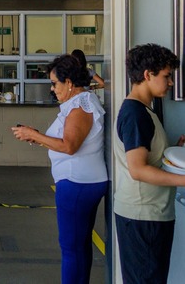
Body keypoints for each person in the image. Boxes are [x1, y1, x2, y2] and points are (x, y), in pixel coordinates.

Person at [11, 55, 107, 284]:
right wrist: (39, 138)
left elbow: (69, 146)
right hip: (82, 181)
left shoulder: (81, 106)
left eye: (55, 83)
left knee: (71, 248)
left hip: (77, 184)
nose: (53, 89)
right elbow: (66, 141)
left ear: (70, 83)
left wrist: (34, 135)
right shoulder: (78, 103)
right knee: (79, 246)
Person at [114, 43, 185, 283]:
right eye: (167, 76)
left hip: (149, 215)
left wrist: (174, 150)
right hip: (143, 217)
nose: (171, 82)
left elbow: (148, 157)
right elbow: (139, 169)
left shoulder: (144, 111)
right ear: (147, 75)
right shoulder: (136, 115)